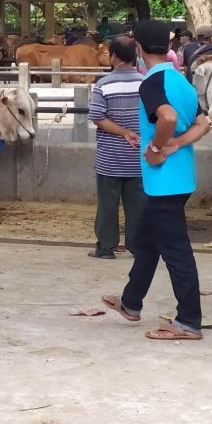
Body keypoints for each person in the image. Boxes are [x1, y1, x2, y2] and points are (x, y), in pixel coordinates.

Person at [100, 19, 212, 341]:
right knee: (147, 243)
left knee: (177, 253)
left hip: (163, 182)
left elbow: (168, 117)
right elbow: (203, 123)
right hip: (178, 180)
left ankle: (188, 322)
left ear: (137, 48)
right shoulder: (182, 81)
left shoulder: (151, 83)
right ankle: (131, 302)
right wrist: (177, 143)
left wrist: (158, 147)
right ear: (168, 46)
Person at [88, 37, 146, 259]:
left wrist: (122, 132)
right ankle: (138, 246)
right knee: (138, 205)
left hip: (110, 158)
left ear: (113, 56)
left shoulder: (104, 84)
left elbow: (97, 117)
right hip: (138, 158)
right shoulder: (145, 82)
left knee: (107, 205)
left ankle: (105, 247)